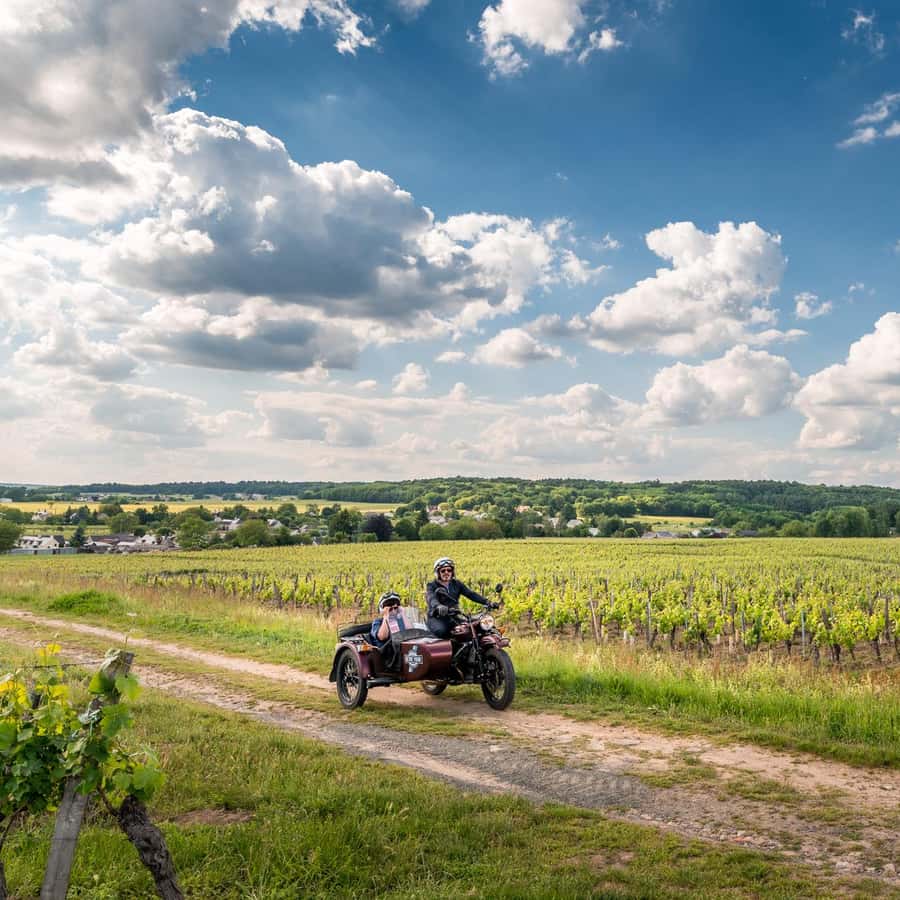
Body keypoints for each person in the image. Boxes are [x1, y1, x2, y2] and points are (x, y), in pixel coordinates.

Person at [425, 557, 492, 639]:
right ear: (437, 573)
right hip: (437, 618)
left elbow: (471, 594)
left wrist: (487, 602)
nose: (446, 572)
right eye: (443, 571)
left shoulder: (456, 584)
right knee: (442, 631)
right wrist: (438, 606)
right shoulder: (431, 586)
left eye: (449, 570)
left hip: (454, 616)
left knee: (474, 628)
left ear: (452, 572)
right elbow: (431, 598)